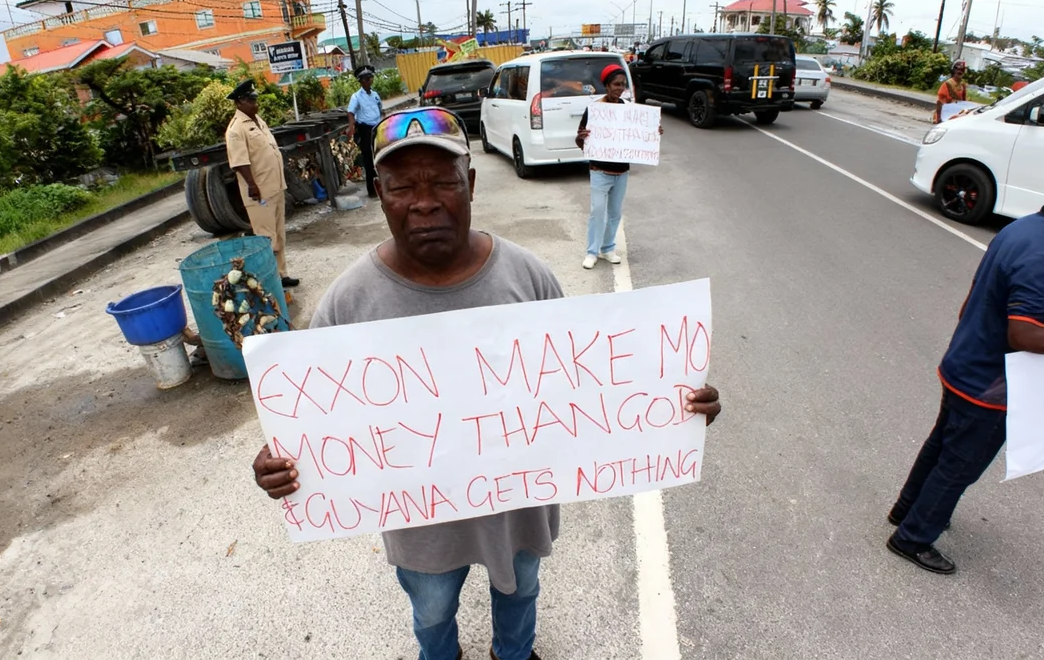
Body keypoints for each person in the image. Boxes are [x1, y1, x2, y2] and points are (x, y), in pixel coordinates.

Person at [252, 106, 721, 660]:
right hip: (421, 522)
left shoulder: (527, 277)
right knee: (430, 612)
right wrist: (280, 462)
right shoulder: (349, 302)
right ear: (380, 194)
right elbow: (314, 418)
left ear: (470, 184)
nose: (424, 201)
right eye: (402, 185)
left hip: (516, 508)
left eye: (443, 182)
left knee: (521, 590)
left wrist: (674, 407)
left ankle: (513, 655)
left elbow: (587, 386)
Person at [886, 166, 1044, 575]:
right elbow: (1025, 335)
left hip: (966, 363)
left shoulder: (1025, 229)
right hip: (991, 384)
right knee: (959, 464)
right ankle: (913, 537)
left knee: (941, 445)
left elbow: (973, 298)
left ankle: (906, 510)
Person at [575, 64, 661, 270]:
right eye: (615, 84)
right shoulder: (595, 110)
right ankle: (592, 252)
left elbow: (640, 135)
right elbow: (581, 141)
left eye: (622, 85)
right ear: (606, 85)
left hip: (621, 172)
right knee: (597, 211)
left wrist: (652, 131)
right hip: (599, 171)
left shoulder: (629, 110)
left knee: (614, 213)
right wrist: (581, 138)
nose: (619, 88)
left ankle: (608, 248)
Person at [225, 79, 300, 289]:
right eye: (251, 100)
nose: (255, 103)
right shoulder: (236, 129)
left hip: (274, 186)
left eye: (255, 99)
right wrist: (252, 185)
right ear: (240, 102)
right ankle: (270, 279)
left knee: (279, 234)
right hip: (259, 192)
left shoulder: (256, 119)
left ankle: (282, 274)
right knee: (266, 238)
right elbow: (239, 162)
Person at [345, 66, 384, 198]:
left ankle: (383, 186)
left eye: (370, 78)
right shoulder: (356, 97)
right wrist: (351, 127)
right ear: (361, 81)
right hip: (366, 130)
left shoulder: (375, 95)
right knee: (368, 160)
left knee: (380, 156)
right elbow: (351, 112)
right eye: (366, 79)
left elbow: (381, 109)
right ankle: (372, 190)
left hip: (377, 128)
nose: (369, 80)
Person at [934, 60, 968, 124]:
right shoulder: (947, 84)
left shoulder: (963, 85)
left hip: (957, 114)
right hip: (946, 114)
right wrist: (939, 118)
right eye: (958, 70)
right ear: (954, 71)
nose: (960, 71)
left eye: (962, 70)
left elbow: (963, 102)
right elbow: (940, 102)